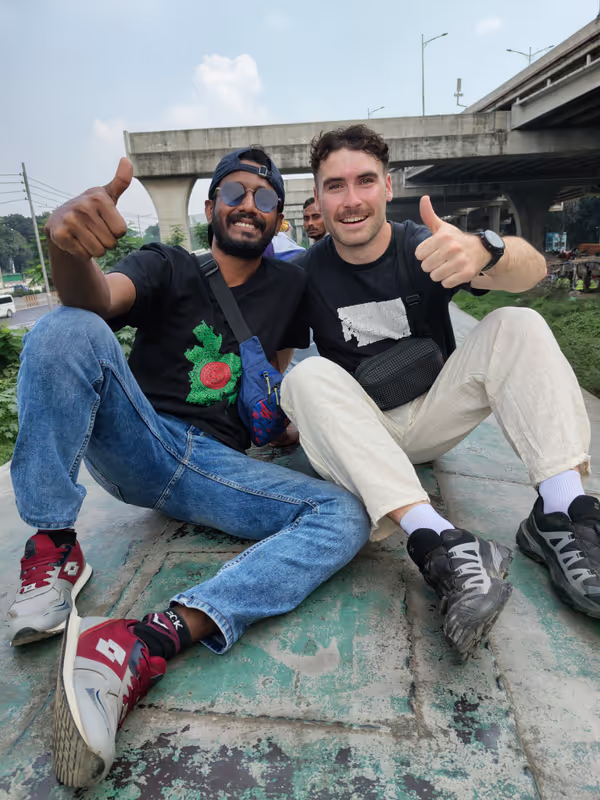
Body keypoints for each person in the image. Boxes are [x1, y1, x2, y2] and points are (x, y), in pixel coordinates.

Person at [8, 147, 370, 787]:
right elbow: (97, 296)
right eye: (235, 192)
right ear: (210, 207)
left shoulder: (291, 285)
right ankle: (54, 545)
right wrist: (67, 250)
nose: (249, 206)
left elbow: (281, 370)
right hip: (140, 437)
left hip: (215, 468)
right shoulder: (168, 264)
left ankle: (149, 638)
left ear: (279, 217)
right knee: (66, 326)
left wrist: (279, 425)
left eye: (265, 198)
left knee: (346, 514)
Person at [282, 124, 600, 658]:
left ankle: (563, 511)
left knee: (518, 323)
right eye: (335, 185)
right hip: (365, 433)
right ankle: (441, 542)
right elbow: (278, 357)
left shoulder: (423, 245)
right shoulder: (303, 274)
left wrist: (486, 250)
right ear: (317, 196)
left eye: (365, 181)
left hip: (434, 414)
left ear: (388, 186)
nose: (352, 199)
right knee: (304, 378)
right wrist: (295, 418)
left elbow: (531, 272)